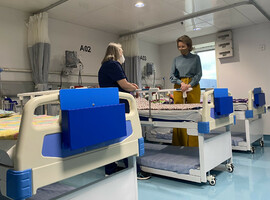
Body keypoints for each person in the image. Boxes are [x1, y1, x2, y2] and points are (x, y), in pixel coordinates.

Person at [98, 42, 151, 180]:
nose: (122, 54)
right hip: (119, 106)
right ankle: (133, 169)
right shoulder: (113, 65)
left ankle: (110, 168)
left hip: (110, 105)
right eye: (121, 51)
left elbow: (121, 84)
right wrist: (134, 88)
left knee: (112, 138)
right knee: (128, 137)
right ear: (115, 52)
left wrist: (131, 86)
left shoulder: (105, 66)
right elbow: (123, 84)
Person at [170, 35, 202, 147]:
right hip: (179, 85)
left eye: (183, 46)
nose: (181, 49)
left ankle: (193, 145)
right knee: (179, 114)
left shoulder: (196, 58)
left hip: (193, 85)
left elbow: (199, 74)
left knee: (193, 114)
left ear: (189, 46)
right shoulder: (176, 60)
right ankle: (179, 143)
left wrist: (189, 85)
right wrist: (182, 83)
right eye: (179, 47)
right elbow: (172, 76)